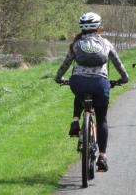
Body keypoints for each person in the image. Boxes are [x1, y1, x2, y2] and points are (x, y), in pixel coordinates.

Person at [55, 12, 129, 172]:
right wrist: (124, 78)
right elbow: (118, 64)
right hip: (100, 84)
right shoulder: (106, 43)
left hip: (78, 82)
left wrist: (58, 77)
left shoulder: (76, 44)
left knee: (79, 94)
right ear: (98, 28)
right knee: (102, 119)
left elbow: (66, 63)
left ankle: (75, 121)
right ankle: (102, 156)